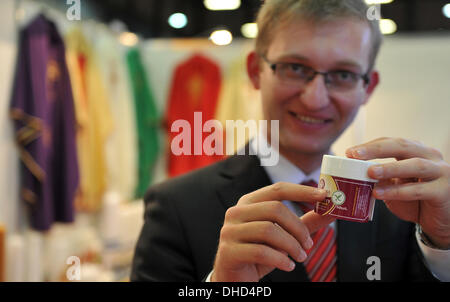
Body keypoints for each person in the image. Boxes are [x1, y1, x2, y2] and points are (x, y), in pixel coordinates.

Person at [131, 0, 450, 282]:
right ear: (256, 71)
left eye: (342, 75)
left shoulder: (398, 207)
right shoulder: (177, 206)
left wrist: (444, 239)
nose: (314, 99)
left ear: (367, 87)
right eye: (295, 68)